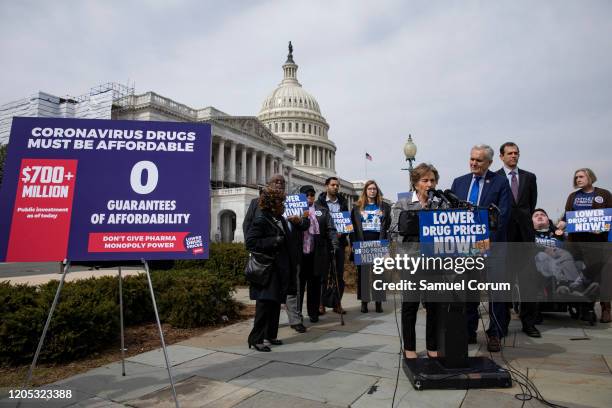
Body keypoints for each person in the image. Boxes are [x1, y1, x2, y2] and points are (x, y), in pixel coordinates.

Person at [450, 144, 512, 352]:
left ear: (490, 163)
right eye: (472, 159)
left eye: (479, 160)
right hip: (465, 247)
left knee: (496, 292)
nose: (474, 163)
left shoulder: (500, 183)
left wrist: (487, 240)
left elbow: (502, 215)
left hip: (492, 246)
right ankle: (468, 331)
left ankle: (495, 333)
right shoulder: (459, 183)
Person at [243, 174, 310, 334]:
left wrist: (299, 221)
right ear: (269, 185)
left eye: (282, 182)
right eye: (276, 182)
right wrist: (255, 249)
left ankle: (294, 320)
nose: (279, 184)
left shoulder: (295, 202)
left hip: (290, 253)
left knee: (291, 289)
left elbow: (306, 224)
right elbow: (248, 225)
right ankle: (265, 330)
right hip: (266, 255)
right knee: (268, 295)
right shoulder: (256, 203)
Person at [390, 163, 442, 359]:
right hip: (411, 260)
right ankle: (409, 348)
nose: (429, 184)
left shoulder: (439, 204)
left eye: (432, 180)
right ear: (415, 182)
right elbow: (393, 231)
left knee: (434, 306)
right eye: (425, 180)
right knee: (410, 305)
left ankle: (433, 346)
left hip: (434, 261)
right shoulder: (402, 203)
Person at [496, 142, 541, 338]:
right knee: (504, 281)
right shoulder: (494, 178)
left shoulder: (529, 177)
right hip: (504, 236)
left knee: (528, 281)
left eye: (516, 153)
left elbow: (531, 205)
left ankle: (529, 322)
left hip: (524, 236)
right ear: (501, 156)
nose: (514, 156)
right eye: (510, 153)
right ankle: (502, 323)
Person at [556, 168, 611, 323]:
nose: (578, 179)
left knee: (600, 273)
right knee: (582, 275)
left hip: (597, 242)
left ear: (590, 177)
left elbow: (609, 215)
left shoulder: (604, 194)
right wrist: (561, 224)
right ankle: (587, 307)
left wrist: (602, 227)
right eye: (576, 177)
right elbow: (567, 215)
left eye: (581, 176)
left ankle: (606, 307)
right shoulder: (573, 196)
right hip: (576, 242)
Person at [245, 187, 294, 351]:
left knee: (275, 303)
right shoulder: (261, 219)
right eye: (281, 202)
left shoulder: (279, 218)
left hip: (279, 268)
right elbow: (251, 242)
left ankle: (270, 335)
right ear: (273, 204)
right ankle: (256, 339)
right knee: (264, 304)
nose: (283, 204)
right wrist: (273, 241)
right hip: (267, 269)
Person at [297, 185, 339, 323]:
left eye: (312, 194)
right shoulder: (294, 210)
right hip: (300, 253)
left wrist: (334, 244)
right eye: (306, 194)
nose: (310, 197)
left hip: (317, 252)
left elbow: (330, 228)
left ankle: (313, 312)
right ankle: (297, 314)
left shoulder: (322, 211)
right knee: (299, 285)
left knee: (314, 285)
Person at [350, 180, 392, 313]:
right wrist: (353, 244)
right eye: (369, 189)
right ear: (365, 191)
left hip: (378, 241)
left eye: (374, 189)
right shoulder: (357, 207)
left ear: (377, 191)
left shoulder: (384, 207)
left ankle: (378, 302)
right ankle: (364, 302)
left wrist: (387, 245)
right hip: (363, 242)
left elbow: (388, 226)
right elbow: (353, 228)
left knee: (378, 273)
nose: (372, 191)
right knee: (364, 274)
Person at [317, 177, 350, 315]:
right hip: (324, 243)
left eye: (337, 185)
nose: (335, 187)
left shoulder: (343, 203)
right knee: (323, 275)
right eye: (332, 185)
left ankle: (337, 303)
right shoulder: (319, 203)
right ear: (326, 186)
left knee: (338, 274)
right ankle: (321, 304)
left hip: (340, 243)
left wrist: (343, 232)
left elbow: (347, 223)